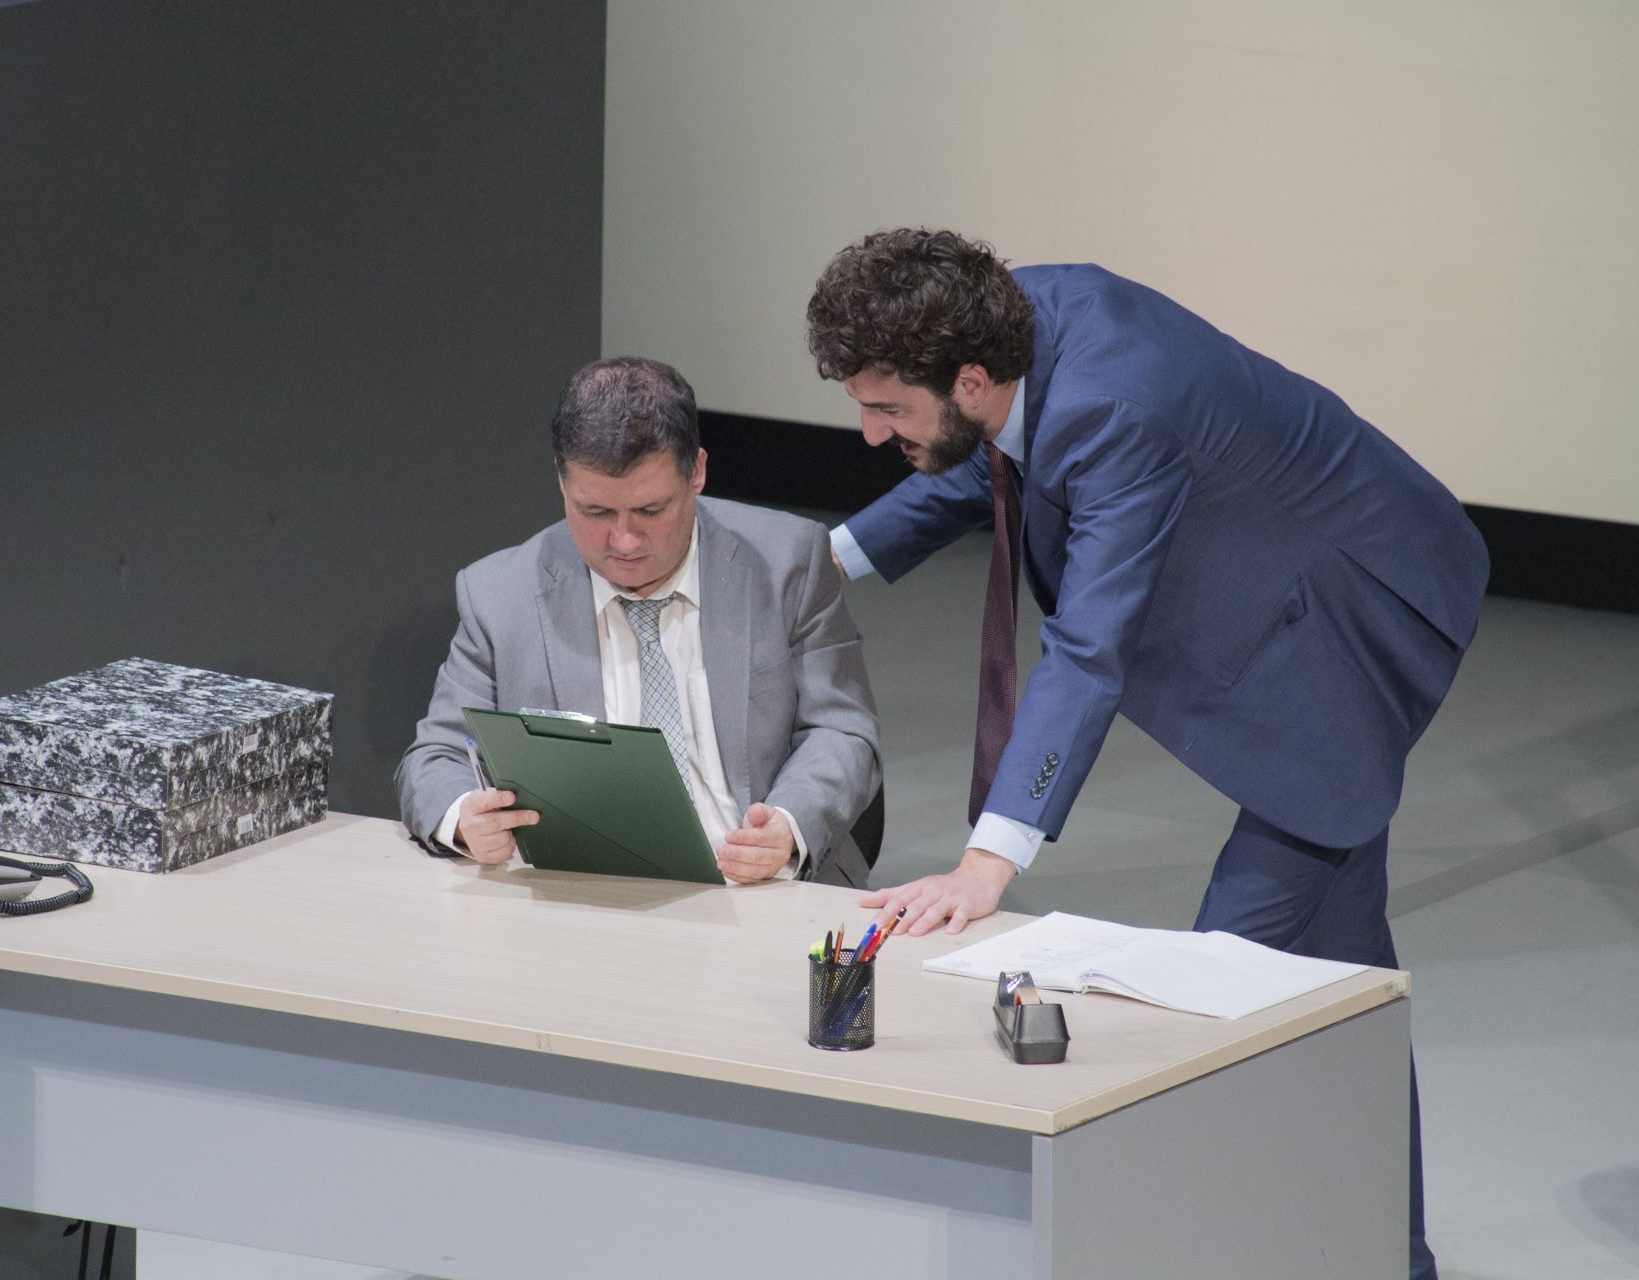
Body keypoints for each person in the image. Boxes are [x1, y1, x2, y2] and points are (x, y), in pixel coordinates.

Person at [806, 229, 1487, 1280]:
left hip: (1356, 621)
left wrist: (990, 859)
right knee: (1343, 977)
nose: (869, 431)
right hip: (1296, 583)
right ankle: (1398, 1260)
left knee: (1210, 998)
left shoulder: (1113, 405)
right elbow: (981, 458)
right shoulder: (1002, 317)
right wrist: (816, 565)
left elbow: (1090, 646)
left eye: (886, 408)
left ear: (970, 378)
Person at [397, 356, 881, 887]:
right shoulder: (500, 594)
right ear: (561, 482)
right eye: (596, 512)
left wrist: (788, 825)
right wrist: (463, 817)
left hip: (760, 884)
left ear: (697, 472)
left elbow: (841, 729)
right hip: (583, 893)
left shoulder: (788, 563)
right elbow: (435, 758)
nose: (624, 541)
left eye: (650, 511)